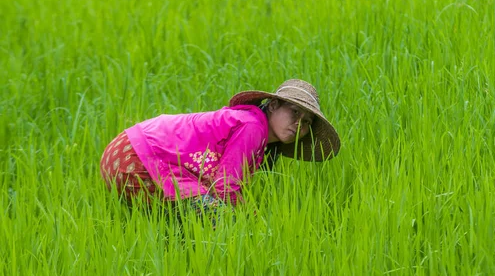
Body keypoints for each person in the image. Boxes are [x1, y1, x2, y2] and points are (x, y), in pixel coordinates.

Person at [99, 79, 341, 215]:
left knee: (180, 229)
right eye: (295, 112)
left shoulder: (252, 130)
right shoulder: (252, 126)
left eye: (307, 122)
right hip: (138, 158)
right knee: (226, 222)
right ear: (274, 105)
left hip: (125, 153)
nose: (299, 124)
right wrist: (255, 220)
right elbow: (225, 186)